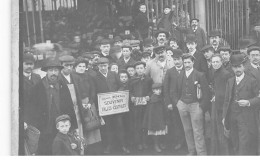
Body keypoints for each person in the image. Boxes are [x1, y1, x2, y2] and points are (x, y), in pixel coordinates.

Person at [30, 59, 77, 155]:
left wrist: (74, 126)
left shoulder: (63, 86)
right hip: (44, 127)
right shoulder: (38, 87)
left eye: (56, 70)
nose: (53, 73)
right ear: (46, 72)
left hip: (61, 127)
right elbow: (33, 109)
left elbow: (69, 106)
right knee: (45, 150)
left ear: (59, 72)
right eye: (51, 70)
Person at [222, 53, 260, 155]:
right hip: (232, 117)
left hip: (246, 119)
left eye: (239, 66)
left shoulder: (252, 81)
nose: (237, 69)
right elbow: (226, 100)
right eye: (235, 67)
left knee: (244, 145)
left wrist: (248, 102)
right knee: (235, 142)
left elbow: (258, 98)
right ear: (232, 68)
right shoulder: (230, 81)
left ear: (244, 66)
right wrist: (224, 117)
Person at [173, 54, 210, 155]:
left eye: (189, 62)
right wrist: (178, 103)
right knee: (187, 130)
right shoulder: (180, 75)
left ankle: (201, 154)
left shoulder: (199, 75)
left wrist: (201, 107)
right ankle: (192, 152)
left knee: (198, 131)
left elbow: (207, 93)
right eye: (185, 62)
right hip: (183, 105)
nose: (187, 64)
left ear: (193, 62)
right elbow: (174, 91)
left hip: (195, 105)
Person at [93, 57, 123, 154]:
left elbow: (121, 86)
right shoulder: (95, 77)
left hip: (116, 106)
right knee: (107, 127)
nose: (103, 68)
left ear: (108, 66)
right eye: (101, 66)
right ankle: (109, 146)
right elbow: (94, 92)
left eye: (105, 66)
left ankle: (122, 145)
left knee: (119, 125)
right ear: (98, 67)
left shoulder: (113, 74)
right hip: (105, 107)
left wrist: (118, 94)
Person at [73, 57, 102, 155]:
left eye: (83, 66)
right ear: (75, 67)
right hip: (78, 103)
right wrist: (81, 104)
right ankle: (83, 145)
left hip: (89, 102)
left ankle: (93, 146)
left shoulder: (88, 76)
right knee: (82, 123)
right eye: (79, 66)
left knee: (92, 123)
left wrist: (90, 102)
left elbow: (93, 90)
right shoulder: (72, 76)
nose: (81, 68)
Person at [163, 49, 186, 151]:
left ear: (182, 59)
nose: (176, 62)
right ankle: (179, 142)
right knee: (177, 123)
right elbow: (166, 88)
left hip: (186, 102)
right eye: (174, 60)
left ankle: (188, 142)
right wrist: (168, 102)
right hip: (174, 103)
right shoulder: (170, 71)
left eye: (178, 59)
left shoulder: (187, 69)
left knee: (187, 123)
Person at [209, 54, 232, 155]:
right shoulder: (215, 72)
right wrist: (215, 94)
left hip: (223, 107)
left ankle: (225, 155)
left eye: (217, 62)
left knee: (223, 133)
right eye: (213, 62)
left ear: (221, 62)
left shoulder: (226, 74)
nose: (215, 64)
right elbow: (217, 87)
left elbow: (228, 92)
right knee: (218, 132)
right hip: (217, 105)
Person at [129, 61, 153, 151]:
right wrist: (132, 97)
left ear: (144, 69)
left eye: (141, 68)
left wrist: (148, 96)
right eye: (137, 68)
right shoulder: (131, 80)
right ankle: (138, 142)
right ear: (135, 70)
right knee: (137, 124)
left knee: (145, 123)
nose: (139, 70)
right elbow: (129, 91)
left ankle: (145, 142)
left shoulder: (148, 79)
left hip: (145, 105)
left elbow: (151, 90)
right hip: (135, 106)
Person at [22, 52, 41, 155]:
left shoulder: (37, 77)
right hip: (24, 119)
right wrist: (22, 120)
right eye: (26, 63)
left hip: (36, 117)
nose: (29, 66)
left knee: (36, 144)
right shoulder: (17, 78)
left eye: (31, 64)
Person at [244, 46, 260, 154]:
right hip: (254, 106)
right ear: (249, 57)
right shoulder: (246, 70)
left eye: (257, 55)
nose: (255, 57)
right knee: (255, 133)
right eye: (253, 55)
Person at [143, 83, 167, 153]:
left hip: (161, 117)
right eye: (157, 90)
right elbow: (151, 111)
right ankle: (156, 145)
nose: (159, 91)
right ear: (153, 90)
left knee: (160, 131)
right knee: (155, 132)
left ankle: (160, 143)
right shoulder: (153, 99)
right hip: (154, 118)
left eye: (160, 89)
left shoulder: (160, 97)